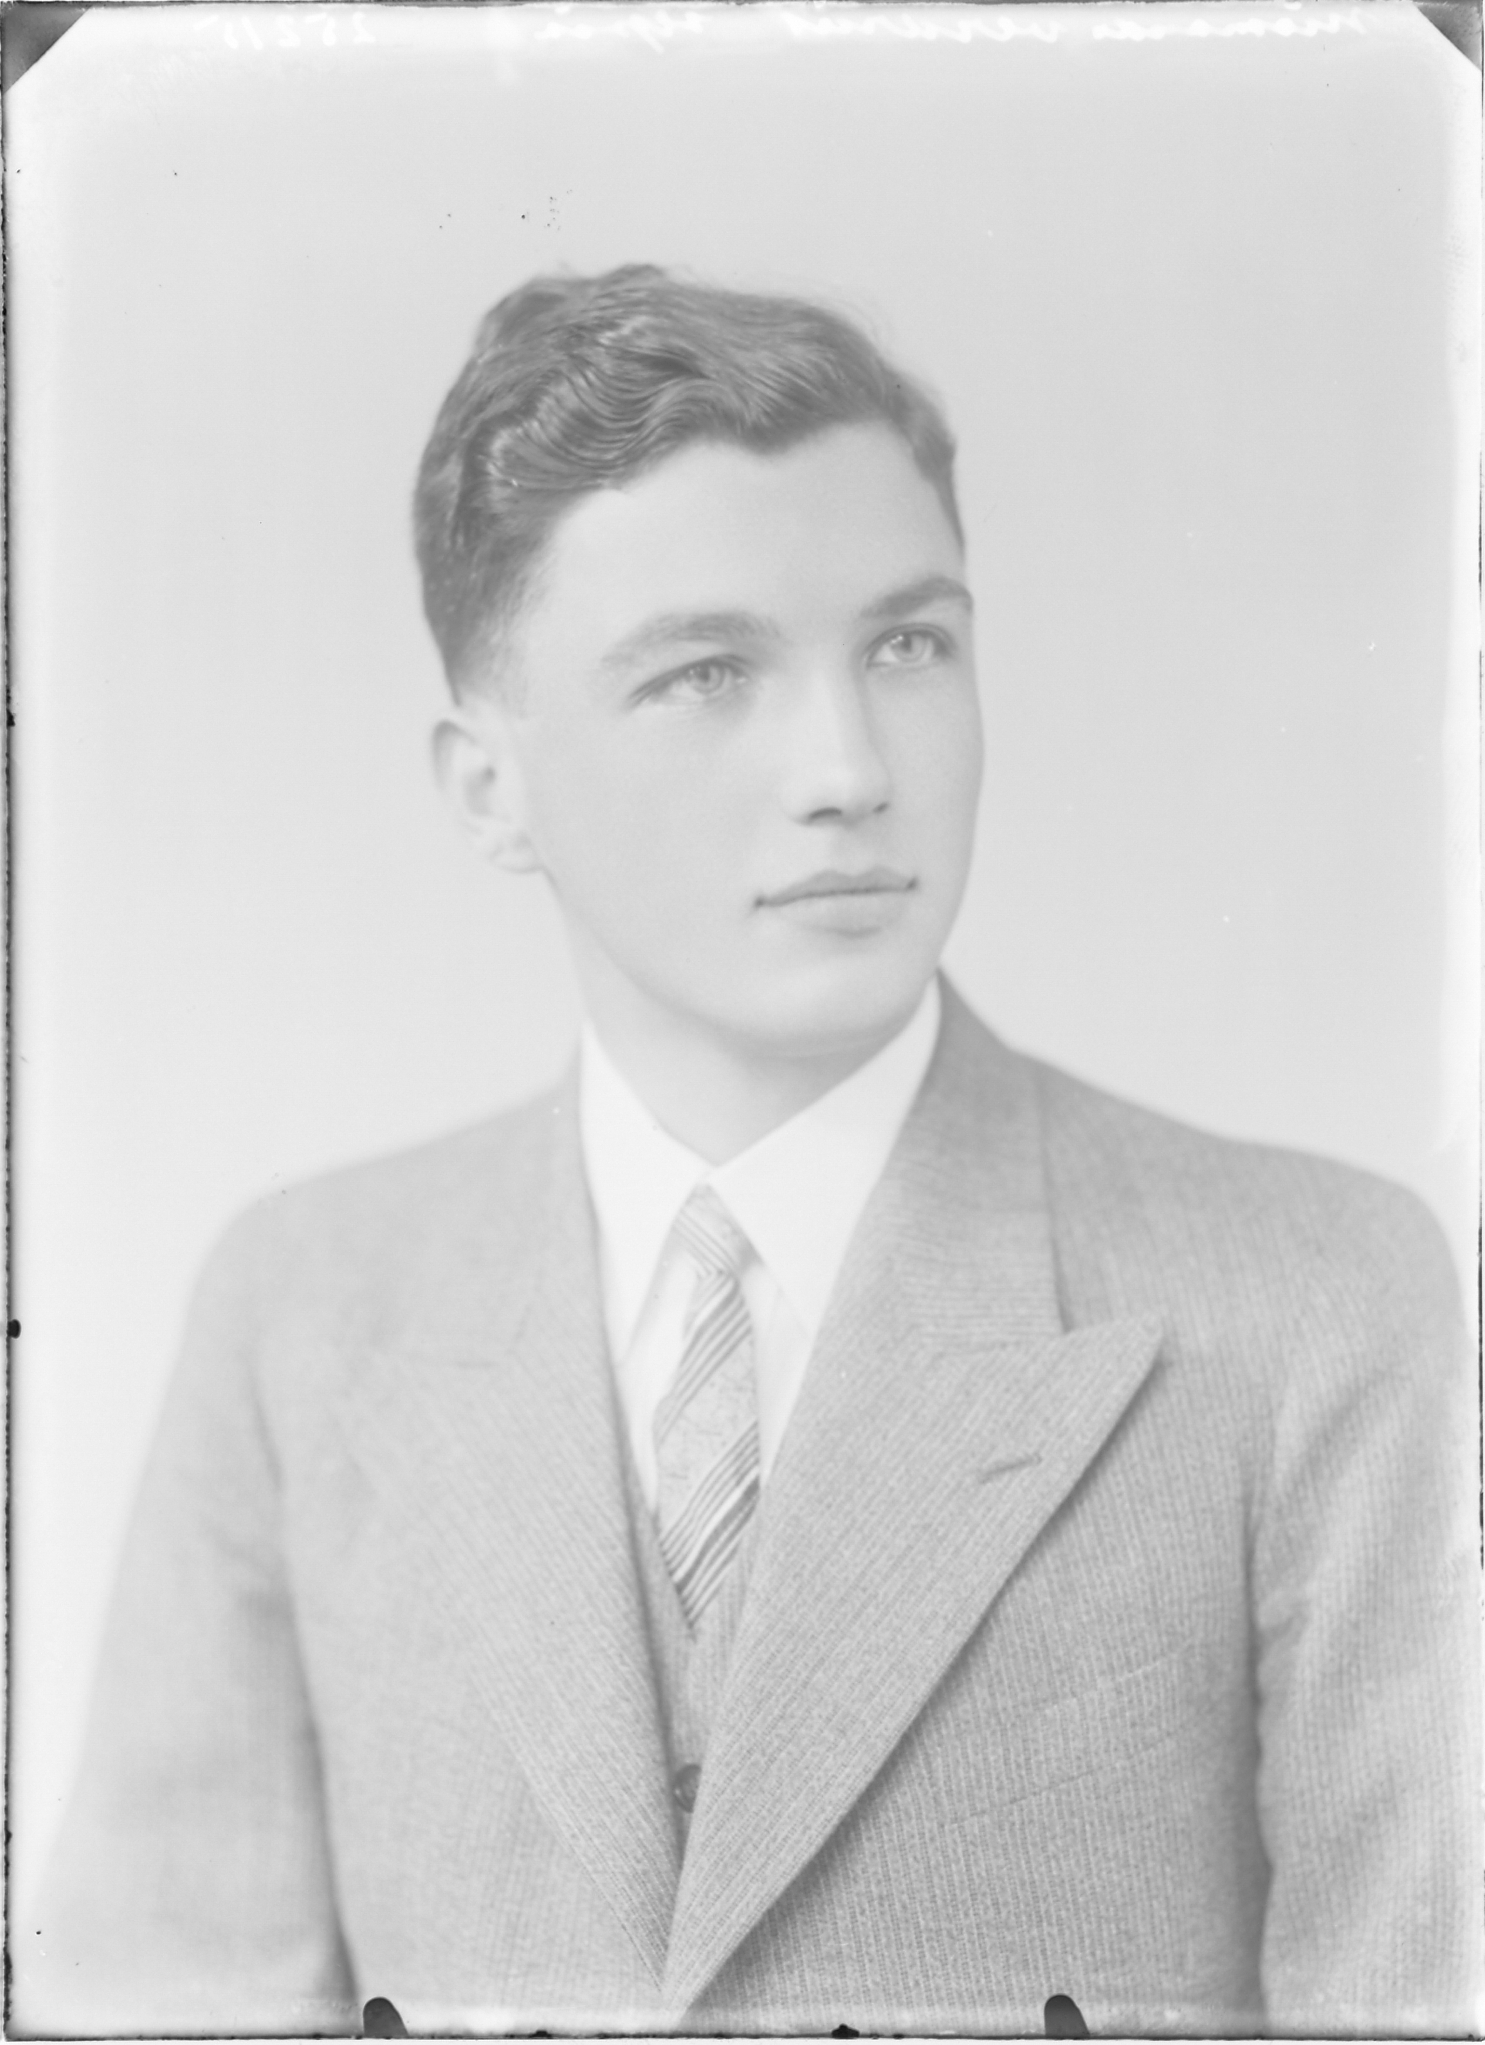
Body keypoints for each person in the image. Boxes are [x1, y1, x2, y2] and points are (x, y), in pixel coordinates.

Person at [31, 265, 1479, 2039]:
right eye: (707, 672)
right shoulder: (304, 1309)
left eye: (907, 645)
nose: (847, 766)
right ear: (489, 788)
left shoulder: (1318, 1298)